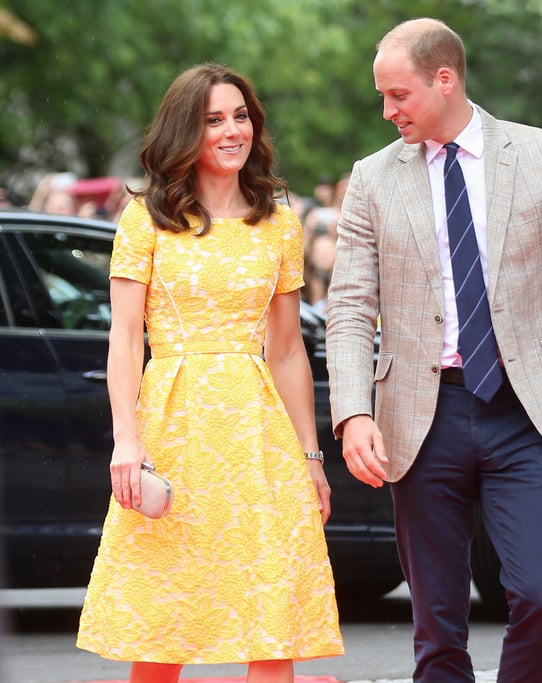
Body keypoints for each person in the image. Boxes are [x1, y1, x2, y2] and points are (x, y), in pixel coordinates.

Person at [325, 18, 542, 683]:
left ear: (444, 79)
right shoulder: (372, 179)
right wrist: (353, 414)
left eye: (398, 94)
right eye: (382, 96)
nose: (387, 110)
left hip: (527, 414)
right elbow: (347, 310)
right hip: (421, 418)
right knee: (437, 624)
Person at [76, 64, 344, 681]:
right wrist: (126, 439)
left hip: (259, 438)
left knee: (272, 625)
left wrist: (310, 457)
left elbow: (286, 351)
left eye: (240, 116)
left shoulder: (277, 222)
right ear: (184, 133)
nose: (232, 131)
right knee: (163, 628)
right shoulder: (146, 218)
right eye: (213, 120)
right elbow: (124, 337)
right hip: (174, 430)